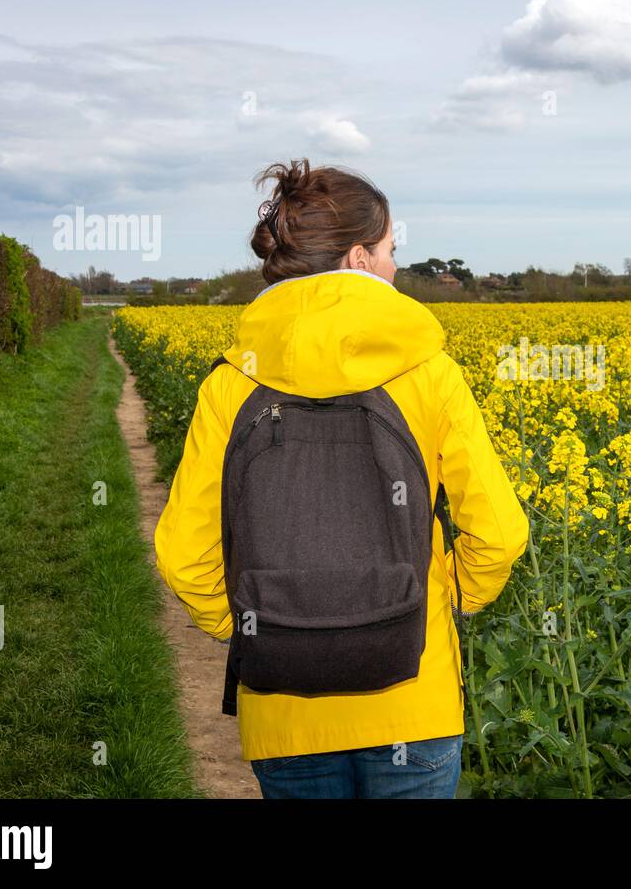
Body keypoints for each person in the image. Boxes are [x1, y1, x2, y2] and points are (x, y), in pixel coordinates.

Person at [152, 157, 529, 798]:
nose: (394, 267)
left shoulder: (230, 382)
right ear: (358, 259)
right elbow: (498, 532)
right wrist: (439, 607)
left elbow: (185, 557)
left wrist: (253, 626)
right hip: (414, 698)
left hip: (284, 707)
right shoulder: (429, 372)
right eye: (389, 251)